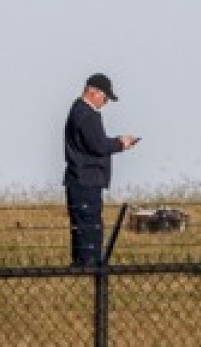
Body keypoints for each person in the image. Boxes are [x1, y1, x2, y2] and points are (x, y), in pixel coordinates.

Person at [63, 73, 139, 267]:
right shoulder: (86, 114)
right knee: (89, 225)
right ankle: (89, 264)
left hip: (81, 178)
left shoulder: (78, 111)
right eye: (105, 98)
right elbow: (97, 145)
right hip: (86, 178)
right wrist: (121, 143)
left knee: (84, 224)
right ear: (93, 92)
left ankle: (85, 262)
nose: (105, 103)